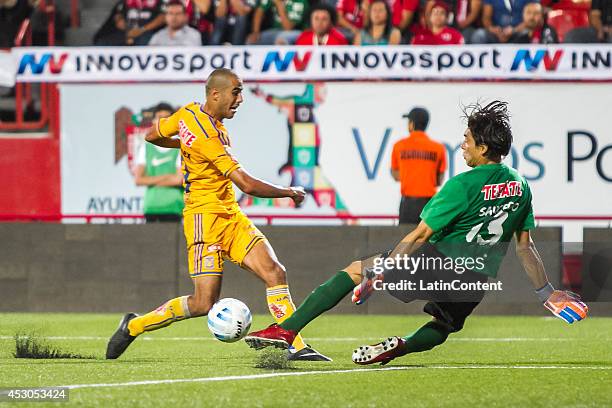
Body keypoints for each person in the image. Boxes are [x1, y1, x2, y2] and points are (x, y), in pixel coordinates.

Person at [244, 101, 588, 365]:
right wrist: (546, 292)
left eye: (467, 139)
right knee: (443, 326)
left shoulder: (463, 184)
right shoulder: (521, 185)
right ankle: (401, 347)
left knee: (355, 269)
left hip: (439, 262)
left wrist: (381, 271)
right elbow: (525, 247)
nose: (462, 145)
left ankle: (285, 329)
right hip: (477, 278)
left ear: (483, 147)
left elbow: (420, 236)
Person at [106, 68, 330, 362]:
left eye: (241, 92)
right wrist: (289, 192)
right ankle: (134, 325)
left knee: (275, 272)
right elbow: (247, 184)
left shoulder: (189, 115)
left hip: (231, 215)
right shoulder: (208, 134)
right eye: (236, 92)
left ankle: (295, 344)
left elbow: (151, 135)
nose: (240, 99)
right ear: (215, 94)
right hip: (204, 221)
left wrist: (185, 145)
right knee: (203, 303)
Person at [391, 107, 446, 224]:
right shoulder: (438, 148)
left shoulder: (399, 146)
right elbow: (439, 180)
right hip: (430, 204)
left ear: (411, 124)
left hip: (408, 205)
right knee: (429, 241)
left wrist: (409, 175)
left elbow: (396, 175)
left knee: (406, 240)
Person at [133, 103, 184, 223]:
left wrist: (151, 180)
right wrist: (167, 177)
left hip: (173, 207)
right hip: (151, 207)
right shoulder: (146, 148)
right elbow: (138, 180)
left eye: (166, 118)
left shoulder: (180, 146)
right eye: (159, 118)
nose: (162, 122)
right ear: (153, 121)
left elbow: (179, 179)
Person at [93, 0, 166, 46]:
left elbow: (162, 18)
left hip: (147, 31)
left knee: (146, 40)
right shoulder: (124, 2)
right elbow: (118, 17)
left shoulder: (158, 2)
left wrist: (142, 29)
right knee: (102, 42)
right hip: (126, 31)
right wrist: (128, 31)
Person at [471, 0, 536, 44]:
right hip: (497, 33)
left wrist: (514, 30)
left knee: (526, 33)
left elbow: (532, 18)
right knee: (479, 35)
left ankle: (522, 62)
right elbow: (486, 19)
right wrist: (493, 30)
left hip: (519, 31)